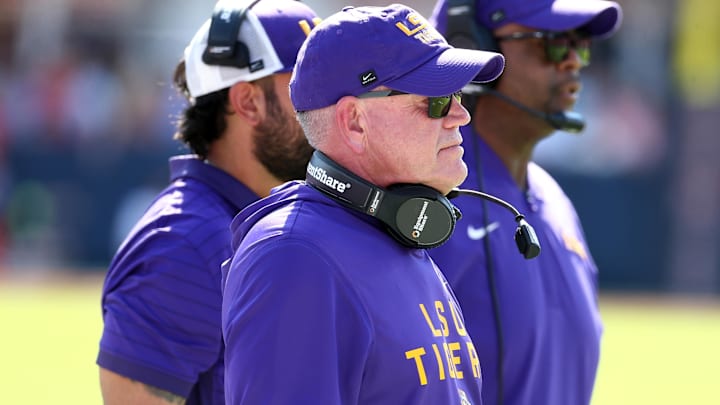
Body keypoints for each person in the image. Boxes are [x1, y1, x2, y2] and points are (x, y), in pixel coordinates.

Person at [220, 4, 506, 404]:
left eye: (457, 95)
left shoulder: (390, 233)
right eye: (436, 100)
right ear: (354, 121)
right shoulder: (294, 257)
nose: (461, 116)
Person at [96, 1, 321, 403]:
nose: (331, 107)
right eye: (307, 88)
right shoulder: (183, 243)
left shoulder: (280, 219)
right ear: (248, 102)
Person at [428, 1, 623, 404]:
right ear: (472, 46)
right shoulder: (423, 206)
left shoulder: (553, 197)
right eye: (552, 43)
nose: (572, 61)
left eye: (580, 44)